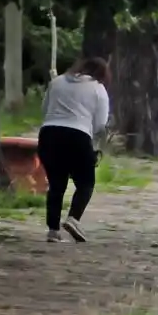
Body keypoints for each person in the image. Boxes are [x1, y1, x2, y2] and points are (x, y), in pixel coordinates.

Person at [38, 57, 111, 243]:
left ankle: (53, 231)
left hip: (49, 134)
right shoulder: (98, 88)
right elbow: (100, 124)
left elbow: (44, 109)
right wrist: (93, 144)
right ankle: (73, 218)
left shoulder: (57, 82)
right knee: (86, 183)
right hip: (78, 135)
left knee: (56, 184)